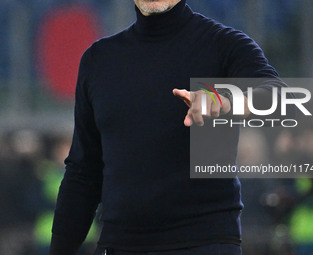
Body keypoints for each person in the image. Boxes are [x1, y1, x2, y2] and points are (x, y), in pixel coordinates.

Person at [49, 1, 291, 254]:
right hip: (118, 244)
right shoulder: (99, 60)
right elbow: (83, 173)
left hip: (204, 244)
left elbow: (281, 100)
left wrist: (226, 102)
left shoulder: (224, 44)